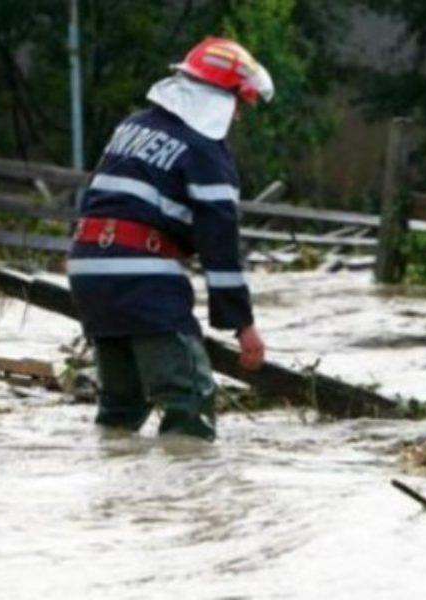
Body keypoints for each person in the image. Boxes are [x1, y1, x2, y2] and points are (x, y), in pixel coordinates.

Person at [68, 37, 273, 441]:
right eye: (239, 105)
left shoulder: (133, 126)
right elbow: (221, 248)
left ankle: (116, 493)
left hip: (88, 268)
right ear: (222, 99)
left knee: (121, 405)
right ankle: (181, 498)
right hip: (140, 274)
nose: (238, 118)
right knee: (189, 397)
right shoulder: (206, 153)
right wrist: (243, 326)